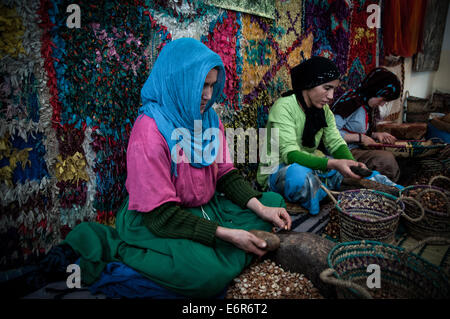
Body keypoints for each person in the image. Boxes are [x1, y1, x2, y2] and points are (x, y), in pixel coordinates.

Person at [57, 38, 291, 298]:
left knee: (272, 201)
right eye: (202, 85)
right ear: (179, 82)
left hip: (208, 208)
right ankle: (123, 249)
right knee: (206, 274)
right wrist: (229, 235)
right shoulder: (149, 132)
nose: (207, 96)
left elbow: (225, 173)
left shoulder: (207, 119)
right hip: (159, 220)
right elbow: (161, 216)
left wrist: (262, 208)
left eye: (213, 85)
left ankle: (231, 246)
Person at [256, 56, 368, 216]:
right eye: (327, 88)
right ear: (309, 84)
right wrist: (334, 164)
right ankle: (320, 195)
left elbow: (336, 143)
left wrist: (352, 165)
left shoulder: (324, 111)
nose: (331, 96)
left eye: (333, 90)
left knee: (362, 175)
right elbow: (291, 155)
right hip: (278, 169)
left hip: (311, 164)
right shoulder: (284, 107)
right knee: (300, 177)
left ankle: (321, 190)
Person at [332, 67, 401, 182]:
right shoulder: (350, 102)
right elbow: (328, 133)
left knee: (395, 156)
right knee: (386, 160)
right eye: (383, 99)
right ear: (374, 90)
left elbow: (354, 127)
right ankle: (386, 190)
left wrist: (375, 135)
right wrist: (361, 138)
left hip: (355, 149)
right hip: (341, 153)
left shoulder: (365, 104)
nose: (383, 104)